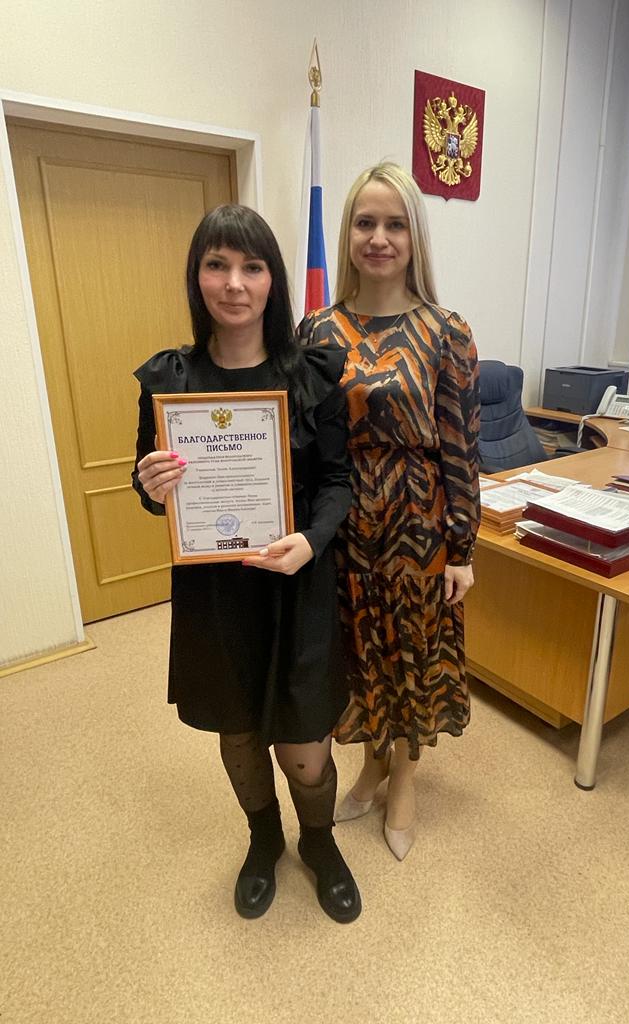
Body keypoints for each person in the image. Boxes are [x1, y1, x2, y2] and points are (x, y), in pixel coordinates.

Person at [132, 204, 361, 923]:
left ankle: (318, 842)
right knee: (237, 731)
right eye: (217, 265)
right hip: (215, 594)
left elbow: (339, 481)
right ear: (196, 276)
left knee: (305, 747)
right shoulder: (169, 381)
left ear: (273, 280)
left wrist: (312, 541)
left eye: (251, 267)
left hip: (297, 583)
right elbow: (153, 494)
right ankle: (264, 841)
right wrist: (148, 484)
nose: (234, 283)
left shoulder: (312, 374)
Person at [298, 163, 480, 861]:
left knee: (414, 656)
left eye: (395, 224)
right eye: (365, 222)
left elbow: (462, 447)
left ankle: (404, 776)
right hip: (343, 524)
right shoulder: (317, 330)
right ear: (348, 233)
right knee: (360, 654)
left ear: (414, 237)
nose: (379, 238)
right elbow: (302, 438)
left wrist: (462, 548)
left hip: (417, 524)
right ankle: (373, 761)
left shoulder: (445, 331)